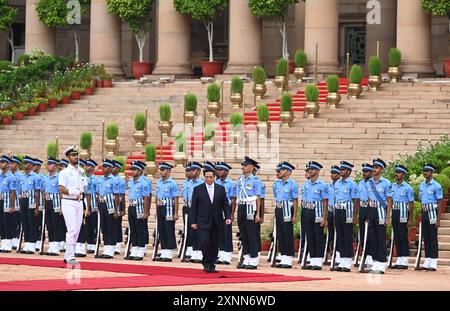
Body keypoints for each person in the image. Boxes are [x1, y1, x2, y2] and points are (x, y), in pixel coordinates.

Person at [190, 166, 231, 273]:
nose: (208, 179)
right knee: (205, 241)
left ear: (214, 177)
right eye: (206, 177)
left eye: (210, 177)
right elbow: (194, 207)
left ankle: (212, 263)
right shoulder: (198, 189)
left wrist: (228, 217)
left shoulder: (220, 189)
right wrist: (193, 221)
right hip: (202, 221)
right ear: (204, 177)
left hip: (216, 221)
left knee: (214, 243)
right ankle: (206, 262)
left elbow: (225, 204)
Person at [58, 146, 87, 264]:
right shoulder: (64, 172)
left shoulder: (80, 171)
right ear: (68, 157)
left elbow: (84, 187)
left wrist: (83, 176)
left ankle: (68, 255)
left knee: (77, 230)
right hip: (68, 201)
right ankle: (71, 257)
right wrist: (73, 191)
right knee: (72, 229)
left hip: (79, 202)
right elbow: (61, 188)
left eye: (77, 155)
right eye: (73, 155)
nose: (76, 157)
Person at [331, 161, 359, 272]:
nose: (341, 171)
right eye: (340, 169)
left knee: (347, 236)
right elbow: (335, 198)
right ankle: (342, 260)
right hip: (338, 210)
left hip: (347, 210)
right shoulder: (337, 183)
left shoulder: (352, 184)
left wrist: (354, 216)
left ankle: (348, 262)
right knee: (340, 236)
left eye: (343, 170)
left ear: (348, 171)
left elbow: (356, 201)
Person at [234, 156, 261, 269]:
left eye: (245, 165)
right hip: (241, 206)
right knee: (243, 233)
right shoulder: (240, 180)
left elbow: (258, 198)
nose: (243, 167)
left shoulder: (255, 181)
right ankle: (246, 257)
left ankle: (254, 259)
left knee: (251, 233)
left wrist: (258, 213)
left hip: (251, 207)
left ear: (251, 167)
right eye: (243, 166)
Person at [366, 158, 391, 274]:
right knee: (373, 238)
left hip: (381, 211)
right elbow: (368, 200)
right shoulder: (369, 183)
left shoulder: (386, 183)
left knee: (381, 238)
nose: (374, 169)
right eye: (373, 167)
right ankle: (375, 263)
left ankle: (381, 264)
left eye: (376, 167)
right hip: (371, 210)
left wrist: (388, 216)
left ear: (381, 169)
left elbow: (389, 200)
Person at [301, 161, 328, 270]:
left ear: (317, 171)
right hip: (308, 211)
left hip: (318, 212)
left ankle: (318, 261)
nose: (309, 171)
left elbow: (325, 202)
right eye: (308, 169)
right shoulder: (306, 184)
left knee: (318, 236)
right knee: (310, 236)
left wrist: (324, 218)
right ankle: (312, 260)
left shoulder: (322, 185)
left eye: (311, 169)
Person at [272, 161, 298, 268]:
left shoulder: (293, 184)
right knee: (280, 234)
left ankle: (288, 258)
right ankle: (282, 256)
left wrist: (295, 214)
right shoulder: (276, 184)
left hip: (288, 209)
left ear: (288, 172)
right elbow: (276, 196)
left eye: (282, 170)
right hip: (279, 209)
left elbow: (295, 200)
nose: (279, 171)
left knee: (287, 233)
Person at [418, 163, 442, 272]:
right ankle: (427, 259)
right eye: (424, 170)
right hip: (424, 212)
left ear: (432, 172)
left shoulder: (437, 186)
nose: (425, 172)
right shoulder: (421, 185)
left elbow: (440, 202)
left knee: (433, 236)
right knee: (425, 236)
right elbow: (421, 199)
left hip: (433, 212)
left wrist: (438, 219)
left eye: (427, 171)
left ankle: (434, 261)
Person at [125, 161, 151, 261]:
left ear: (140, 171)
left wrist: (146, 211)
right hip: (131, 206)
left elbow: (146, 198)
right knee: (133, 229)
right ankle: (134, 248)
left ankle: (140, 249)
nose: (133, 171)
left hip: (139, 206)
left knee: (140, 229)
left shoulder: (143, 182)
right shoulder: (131, 182)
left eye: (135, 170)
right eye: (132, 169)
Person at [390, 164, 414, 269]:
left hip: (404, 212)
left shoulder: (408, 187)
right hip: (395, 211)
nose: (396, 174)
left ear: (403, 174)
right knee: (397, 236)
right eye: (396, 172)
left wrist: (410, 218)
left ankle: (404, 260)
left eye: (399, 172)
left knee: (403, 236)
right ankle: (399, 258)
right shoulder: (392, 186)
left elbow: (411, 204)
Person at [155, 162, 179, 261]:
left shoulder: (172, 183)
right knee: (162, 229)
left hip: (169, 208)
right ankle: (164, 250)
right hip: (160, 207)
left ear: (168, 171)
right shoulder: (159, 182)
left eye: (163, 170)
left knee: (169, 229)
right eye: (160, 169)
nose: (161, 172)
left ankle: (169, 252)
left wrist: (176, 213)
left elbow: (176, 198)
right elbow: (156, 196)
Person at [18, 156, 41, 254]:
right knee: (25, 223)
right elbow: (19, 190)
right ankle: (27, 244)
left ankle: (32, 245)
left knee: (32, 223)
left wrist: (37, 206)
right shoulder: (21, 176)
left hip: (32, 202)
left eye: (27, 163)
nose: (25, 164)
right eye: (25, 162)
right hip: (23, 200)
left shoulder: (36, 177)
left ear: (31, 165)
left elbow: (37, 192)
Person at [97, 159, 119, 259]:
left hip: (110, 206)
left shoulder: (114, 180)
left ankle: (111, 250)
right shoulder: (100, 179)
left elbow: (117, 196)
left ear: (110, 168)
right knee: (104, 227)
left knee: (111, 227)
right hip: (102, 205)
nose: (103, 168)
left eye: (105, 167)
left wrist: (116, 210)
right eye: (103, 166)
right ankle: (106, 248)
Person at [215, 161, 236, 265]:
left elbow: (233, 200)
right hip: (217, 209)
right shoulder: (216, 182)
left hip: (226, 208)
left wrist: (231, 214)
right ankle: (221, 254)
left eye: (221, 170)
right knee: (219, 233)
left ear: (226, 172)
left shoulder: (231, 183)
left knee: (227, 233)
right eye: (217, 169)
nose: (218, 172)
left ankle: (227, 255)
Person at [42, 157, 62, 256]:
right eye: (48, 164)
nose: (49, 166)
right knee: (49, 225)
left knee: (56, 225)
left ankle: (56, 247)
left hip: (56, 203)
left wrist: (62, 207)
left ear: (56, 166)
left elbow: (61, 193)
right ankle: (51, 245)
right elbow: (43, 192)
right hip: (48, 202)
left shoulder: (59, 177)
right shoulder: (45, 177)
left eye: (51, 164)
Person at [187, 162, 205, 263]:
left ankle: (201, 252)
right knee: (192, 231)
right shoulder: (189, 183)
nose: (191, 172)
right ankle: (195, 251)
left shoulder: (201, 183)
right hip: (190, 208)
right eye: (191, 170)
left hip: (199, 209)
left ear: (198, 171)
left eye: (194, 170)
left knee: (199, 232)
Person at [357, 163, 374, 268]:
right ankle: (365, 254)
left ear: (371, 172)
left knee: (371, 234)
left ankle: (371, 256)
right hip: (362, 208)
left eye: (367, 171)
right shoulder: (360, 183)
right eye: (363, 171)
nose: (364, 173)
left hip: (370, 208)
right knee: (363, 233)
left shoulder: (373, 183)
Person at [0, 155, 16, 253]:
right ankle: (3, 242)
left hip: (7, 202)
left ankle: (8, 244)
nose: (1, 164)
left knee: (7, 223)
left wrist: (12, 206)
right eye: (1, 162)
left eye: (3, 162)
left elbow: (13, 193)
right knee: (1, 223)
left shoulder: (11, 177)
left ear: (8, 164)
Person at [112, 160, 127, 255]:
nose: (112, 168)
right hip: (110, 203)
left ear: (118, 168)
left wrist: (123, 209)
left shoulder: (120, 180)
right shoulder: (109, 178)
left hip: (118, 203)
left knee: (117, 225)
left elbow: (123, 196)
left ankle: (118, 245)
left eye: (114, 167)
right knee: (111, 225)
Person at [85, 159, 99, 254]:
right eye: (86, 165)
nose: (87, 167)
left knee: (93, 225)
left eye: (89, 165)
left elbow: (98, 193)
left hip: (93, 206)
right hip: (84, 205)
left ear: (93, 168)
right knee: (87, 226)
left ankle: (94, 243)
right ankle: (89, 243)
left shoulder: (96, 180)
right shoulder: (83, 178)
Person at [326, 165, 340, 261]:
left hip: (339, 211)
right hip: (330, 211)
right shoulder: (328, 186)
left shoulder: (340, 184)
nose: (333, 175)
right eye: (332, 173)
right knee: (331, 233)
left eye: (335, 173)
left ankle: (338, 253)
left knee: (339, 233)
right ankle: (331, 252)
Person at [180, 162, 193, 261]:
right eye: (186, 170)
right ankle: (188, 248)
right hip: (186, 206)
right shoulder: (185, 182)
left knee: (193, 229)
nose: (186, 172)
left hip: (193, 207)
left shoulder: (199, 182)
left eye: (188, 171)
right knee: (186, 228)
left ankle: (194, 249)